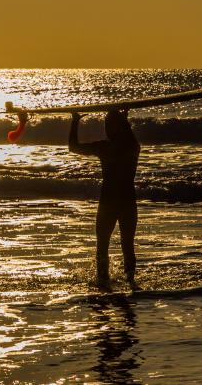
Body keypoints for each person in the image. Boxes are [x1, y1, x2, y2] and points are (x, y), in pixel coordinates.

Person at [69, 110, 140, 289]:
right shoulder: (132, 147)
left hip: (111, 202)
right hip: (126, 202)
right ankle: (119, 281)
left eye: (109, 125)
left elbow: (73, 146)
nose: (106, 129)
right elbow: (74, 148)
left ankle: (120, 281)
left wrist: (75, 121)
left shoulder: (105, 148)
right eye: (105, 125)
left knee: (117, 244)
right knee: (119, 244)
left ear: (118, 127)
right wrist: (124, 120)